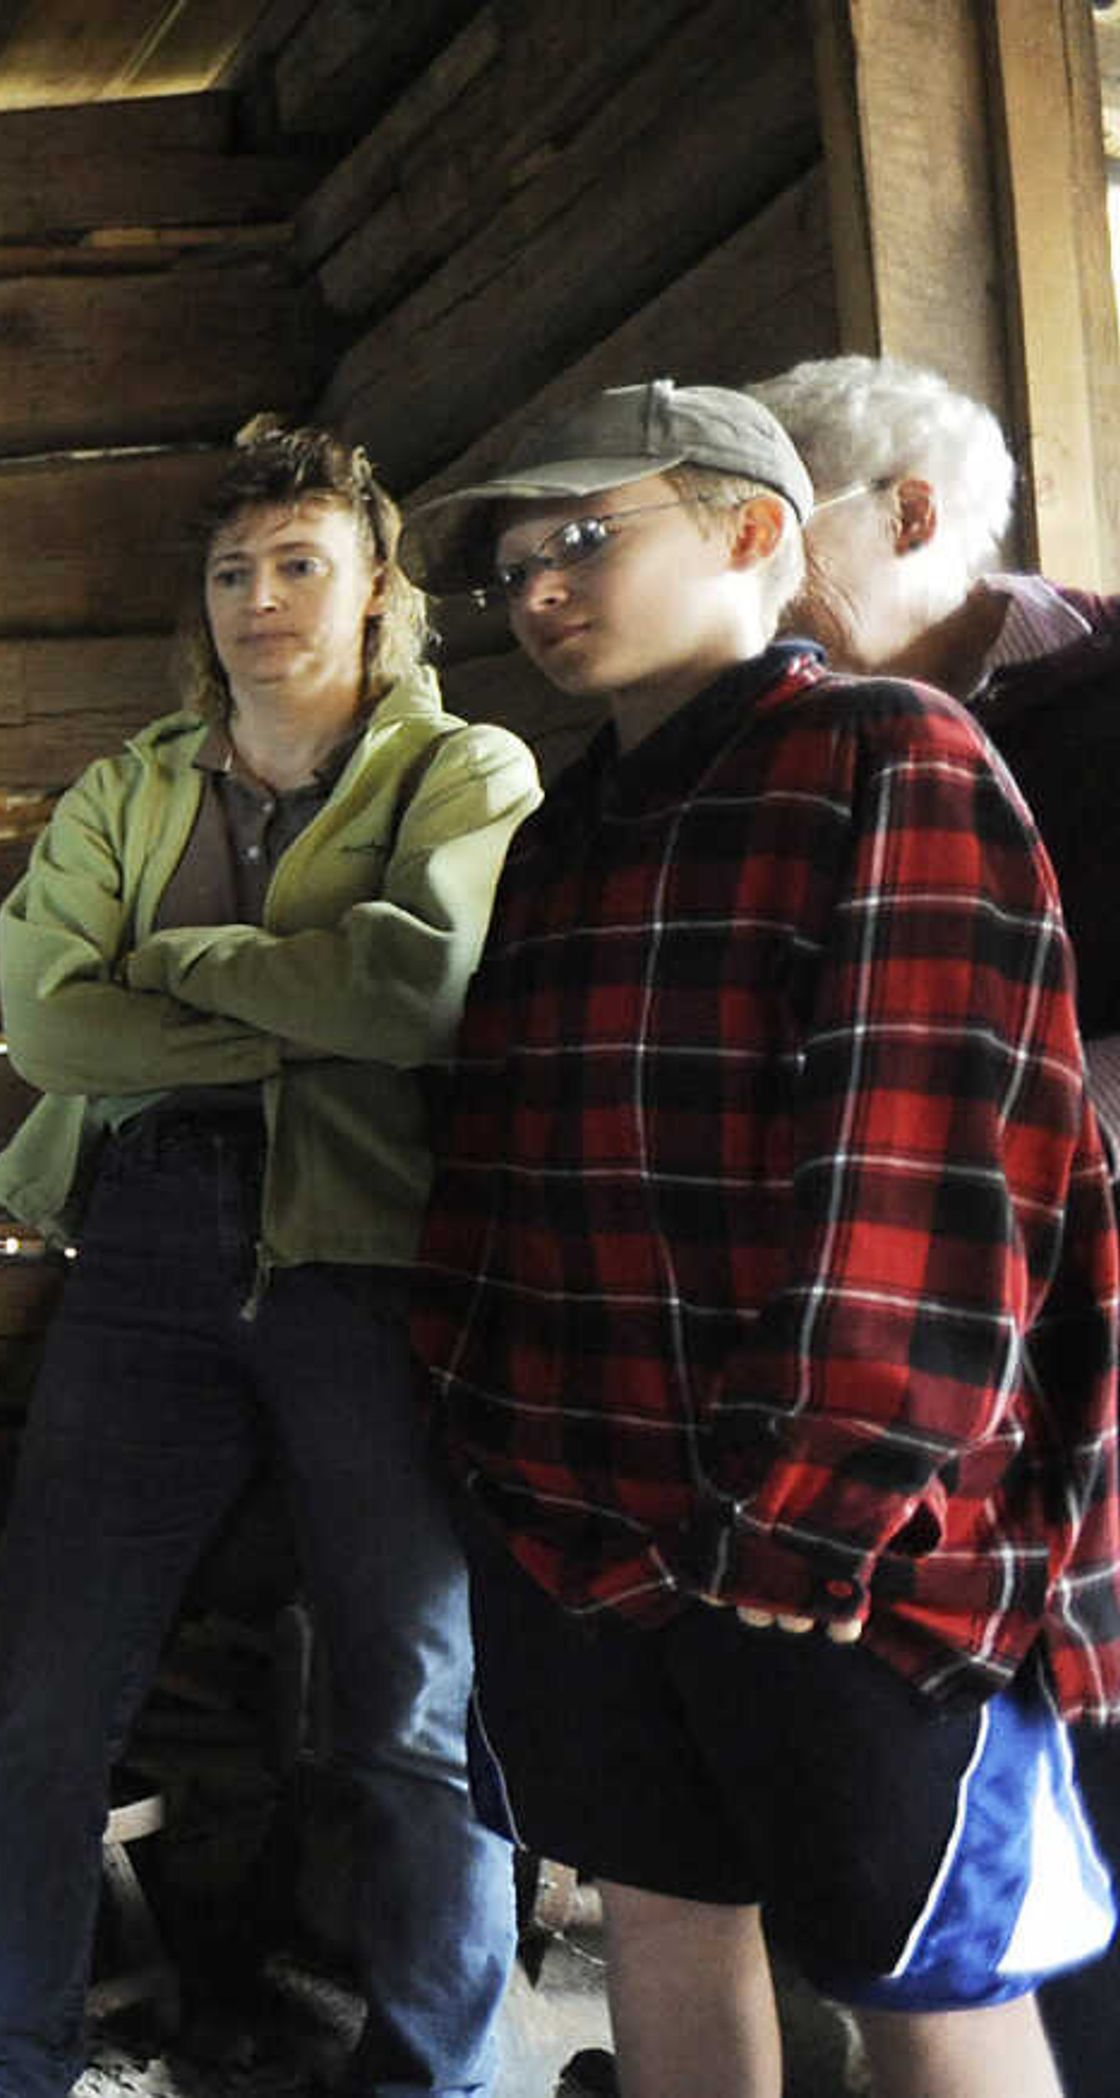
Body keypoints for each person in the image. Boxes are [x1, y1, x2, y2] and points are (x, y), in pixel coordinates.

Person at [407, 380, 1118, 2098]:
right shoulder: (571, 829)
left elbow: (928, 1175)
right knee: (662, 1914)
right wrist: (502, 1464)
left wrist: (822, 1508)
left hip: (847, 1544)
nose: (543, 588)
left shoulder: (893, 759)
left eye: (586, 536)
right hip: (593, 1521)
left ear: (749, 529)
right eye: (514, 569)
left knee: (922, 1969)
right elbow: (508, 1162)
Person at [0, 420, 539, 2098]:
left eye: (299, 566)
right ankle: (3, 2065)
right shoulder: (130, 786)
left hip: (367, 1270)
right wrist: (297, 1013)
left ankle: (436, 2076)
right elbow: (54, 1026)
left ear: (374, 594)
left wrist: (184, 966)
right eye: (231, 572)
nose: (260, 600)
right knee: (46, 1706)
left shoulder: (466, 773)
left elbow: (417, 992)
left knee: (415, 1715)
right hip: (141, 1257)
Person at [750, 351, 1120, 2096]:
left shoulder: (1110, 689)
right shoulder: (784, 750)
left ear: (909, 512)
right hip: (932, 1374)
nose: (745, 554)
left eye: (779, 510)